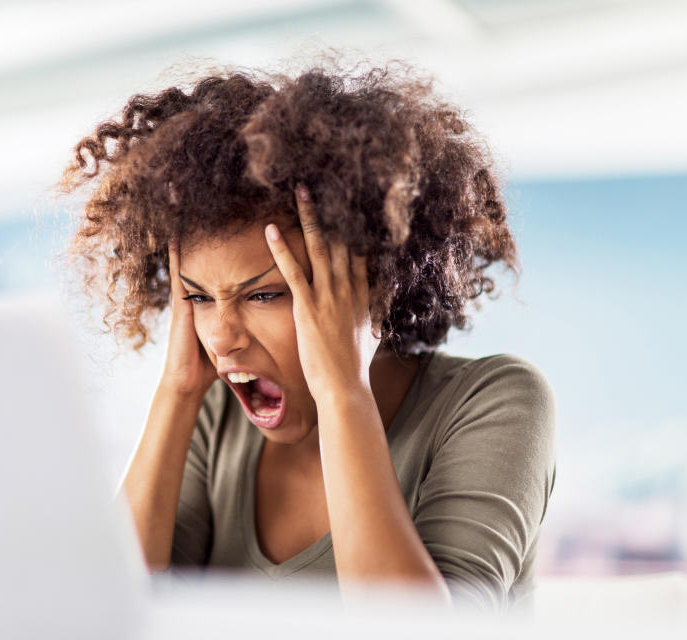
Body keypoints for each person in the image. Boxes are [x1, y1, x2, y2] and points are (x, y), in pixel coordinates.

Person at [56, 63, 556, 613]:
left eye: (265, 294)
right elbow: (97, 615)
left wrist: (342, 391)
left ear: (369, 287)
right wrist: (176, 394)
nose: (221, 336)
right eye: (199, 297)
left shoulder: (495, 402)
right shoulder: (212, 419)